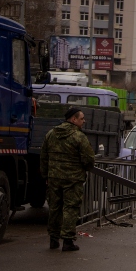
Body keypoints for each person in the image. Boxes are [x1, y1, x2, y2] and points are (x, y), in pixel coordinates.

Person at [40, 106, 96, 252]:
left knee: (54, 208)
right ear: (73, 119)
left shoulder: (51, 134)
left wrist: (46, 175)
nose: (84, 121)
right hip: (73, 179)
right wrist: (84, 168)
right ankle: (67, 241)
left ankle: (53, 239)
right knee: (70, 208)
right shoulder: (79, 137)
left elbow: (44, 157)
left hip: (54, 178)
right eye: (82, 118)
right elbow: (89, 158)